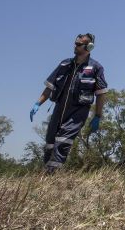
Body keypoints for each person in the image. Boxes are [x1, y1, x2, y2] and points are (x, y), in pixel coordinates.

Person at [30, 33, 108, 172]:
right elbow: (49, 87)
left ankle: (51, 176)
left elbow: (101, 94)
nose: (75, 46)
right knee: (50, 143)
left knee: (62, 142)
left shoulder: (96, 68)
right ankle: (46, 174)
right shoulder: (64, 64)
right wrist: (37, 104)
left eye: (79, 44)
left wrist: (97, 116)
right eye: (75, 43)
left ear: (89, 47)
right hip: (59, 109)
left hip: (77, 112)